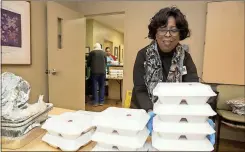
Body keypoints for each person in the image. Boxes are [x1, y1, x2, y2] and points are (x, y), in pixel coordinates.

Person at [131, 6, 215, 145]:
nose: (168, 35)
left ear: (180, 33)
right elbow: (140, 89)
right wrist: (151, 112)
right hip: (143, 113)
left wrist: (202, 119)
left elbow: (193, 89)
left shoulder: (185, 58)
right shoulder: (143, 55)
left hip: (173, 119)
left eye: (173, 29)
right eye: (162, 29)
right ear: (155, 32)